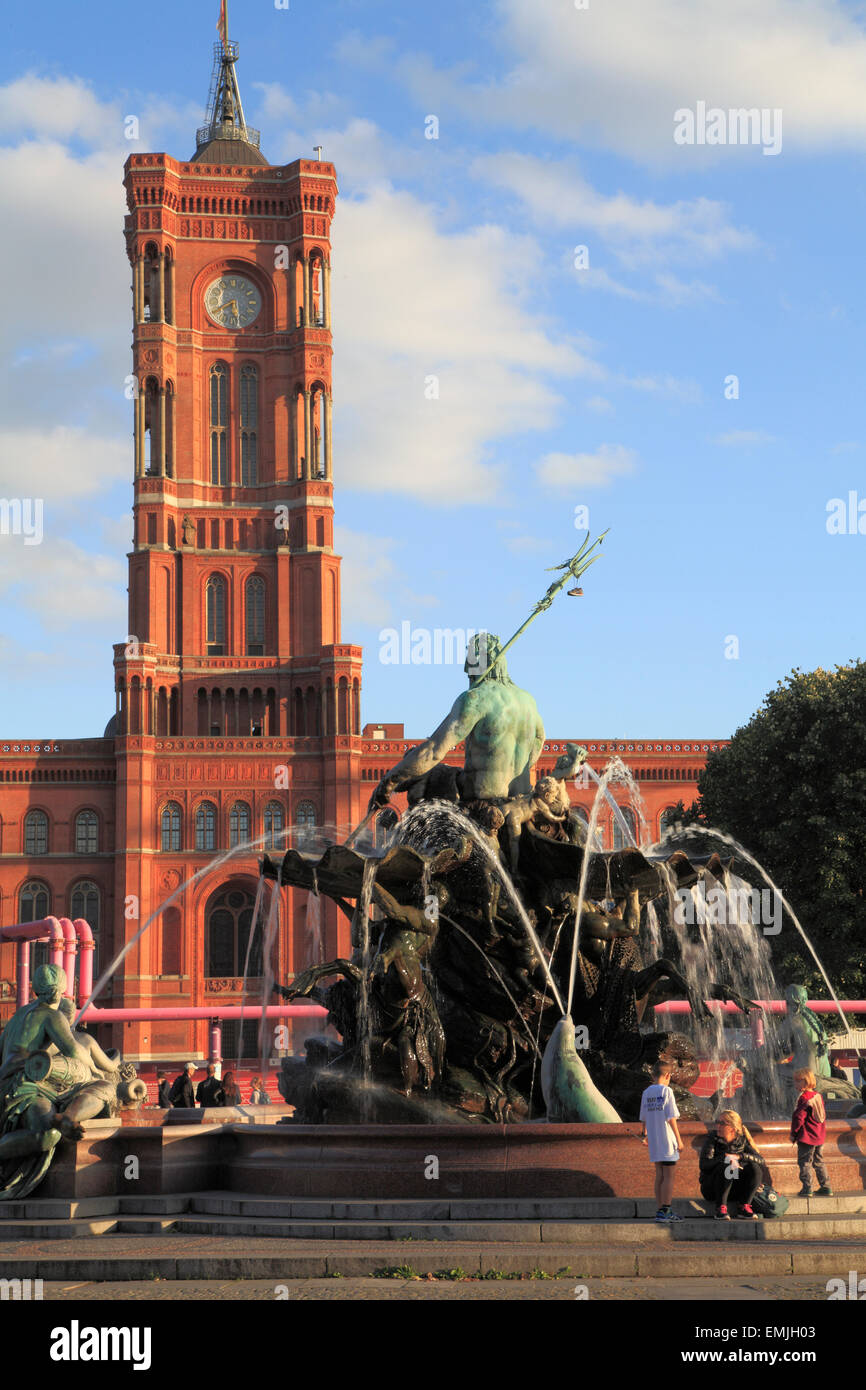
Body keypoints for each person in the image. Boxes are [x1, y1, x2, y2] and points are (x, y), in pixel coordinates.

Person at [639, 1060, 684, 1223]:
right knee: (669, 1176)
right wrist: (679, 1140)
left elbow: (643, 1118)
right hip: (667, 1139)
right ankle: (667, 1210)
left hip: (655, 1140)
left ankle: (659, 1210)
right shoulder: (667, 1091)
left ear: (653, 1074)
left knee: (659, 1175)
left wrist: (645, 1135)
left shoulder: (646, 1092)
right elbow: (671, 1118)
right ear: (668, 1075)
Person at [699, 1109, 764, 1219]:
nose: (718, 1126)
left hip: (735, 1188)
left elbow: (761, 1160)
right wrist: (724, 1158)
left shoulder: (742, 1140)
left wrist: (740, 1157)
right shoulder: (712, 1139)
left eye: (722, 1123)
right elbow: (704, 1165)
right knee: (728, 1165)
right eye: (717, 1122)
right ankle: (721, 1208)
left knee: (755, 1167)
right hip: (712, 1188)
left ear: (733, 1128)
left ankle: (744, 1206)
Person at [790, 1067, 832, 1197]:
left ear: (806, 1081)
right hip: (819, 1136)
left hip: (807, 1137)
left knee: (804, 1162)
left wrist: (794, 1133)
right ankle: (826, 1187)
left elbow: (799, 1117)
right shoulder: (817, 1095)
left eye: (798, 1081)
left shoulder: (804, 1098)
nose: (795, 1084)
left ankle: (807, 1188)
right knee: (819, 1161)